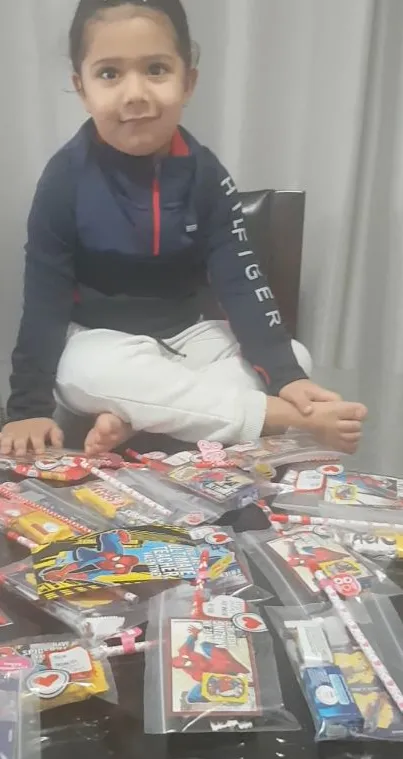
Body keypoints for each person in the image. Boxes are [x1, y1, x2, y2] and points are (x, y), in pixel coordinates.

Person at [1, 0, 367, 458]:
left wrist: (288, 376)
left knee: (296, 356)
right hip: (102, 343)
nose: (135, 93)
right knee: (79, 371)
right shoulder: (63, 180)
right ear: (82, 88)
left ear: (188, 81)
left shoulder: (206, 175)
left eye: (156, 69)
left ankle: (135, 414)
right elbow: (43, 298)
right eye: (110, 74)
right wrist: (26, 408)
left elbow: (241, 283)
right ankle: (278, 418)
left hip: (186, 339)